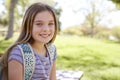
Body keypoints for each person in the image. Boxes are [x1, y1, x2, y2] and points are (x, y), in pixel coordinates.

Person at [1, 2, 58, 80]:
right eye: (39, 24)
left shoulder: (52, 50)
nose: (46, 29)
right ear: (28, 26)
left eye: (50, 24)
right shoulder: (18, 53)